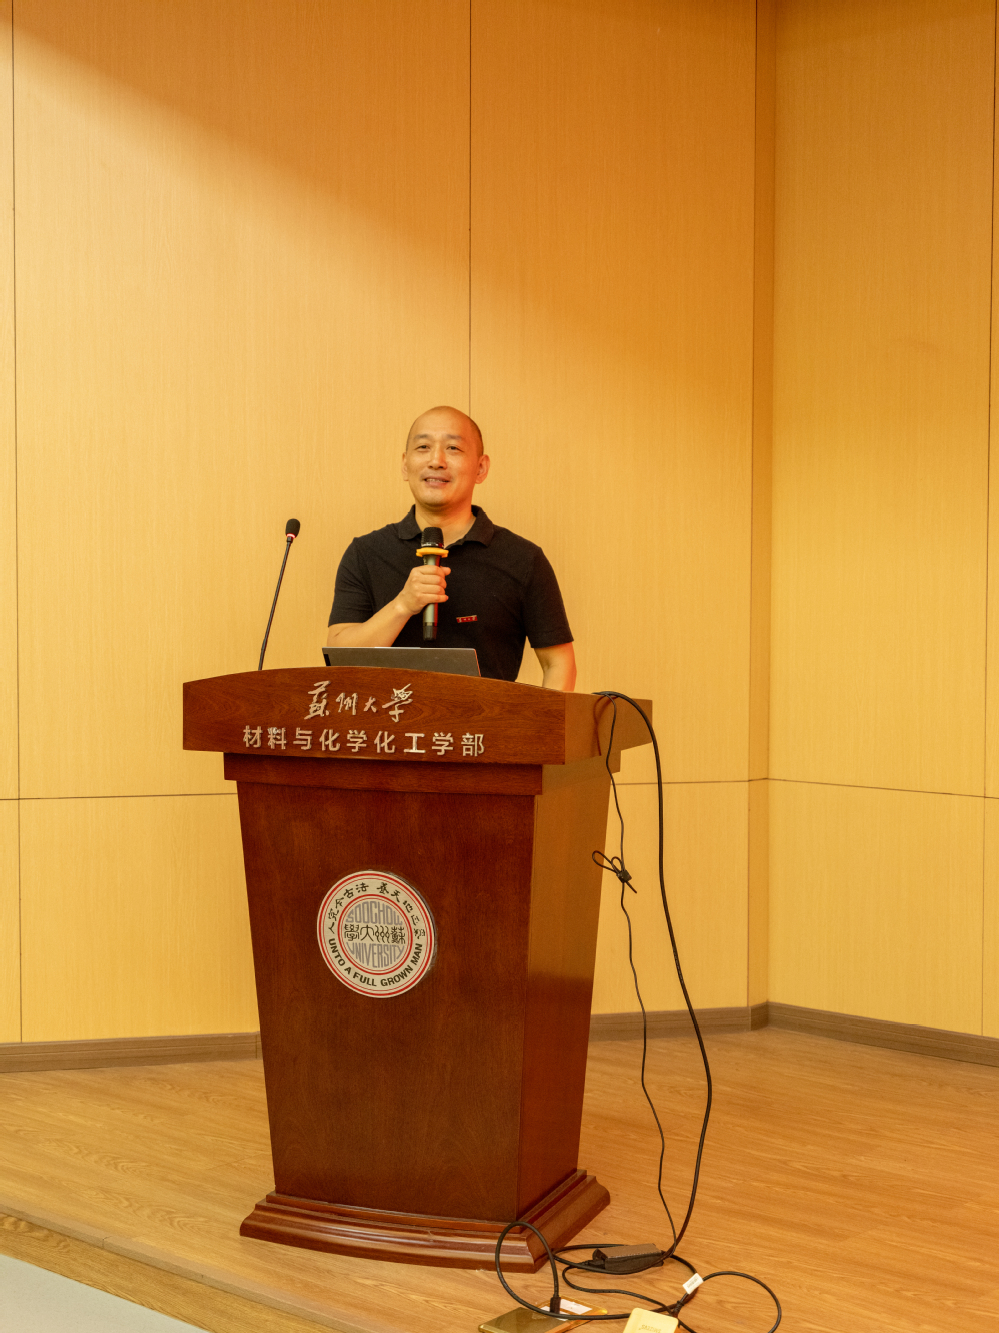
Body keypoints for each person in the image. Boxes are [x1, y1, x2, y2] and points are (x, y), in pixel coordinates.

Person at [327, 406, 576, 690]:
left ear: (480, 468)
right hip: (388, 719)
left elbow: (559, 663)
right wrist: (402, 605)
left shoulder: (523, 559)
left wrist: (538, 720)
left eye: (453, 448)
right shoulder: (366, 553)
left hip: (487, 719)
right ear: (405, 465)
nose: (437, 460)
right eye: (423, 447)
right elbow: (339, 656)